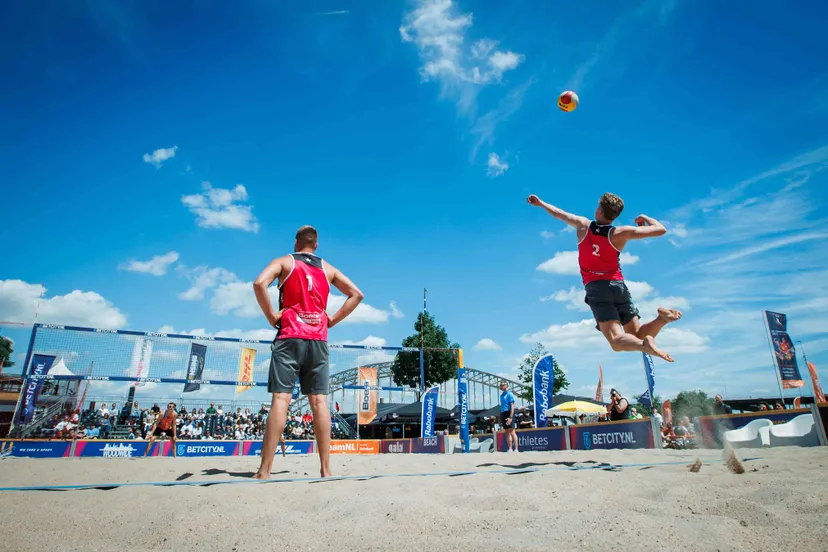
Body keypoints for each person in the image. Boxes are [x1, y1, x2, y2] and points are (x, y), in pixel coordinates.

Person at [252, 225, 363, 479]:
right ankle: (326, 470)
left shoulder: (284, 262)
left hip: (290, 336)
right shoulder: (328, 269)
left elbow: (259, 283)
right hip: (318, 339)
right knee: (320, 403)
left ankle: (264, 471)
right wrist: (331, 320)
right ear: (317, 245)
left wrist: (271, 316)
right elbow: (357, 294)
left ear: (295, 243)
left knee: (281, 401)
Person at [527, 193, 682, 362]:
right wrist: (645, 217)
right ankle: (661, 320)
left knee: (617, 341)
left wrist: (541, 203)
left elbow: (559, 213)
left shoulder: (583, 226)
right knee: (635, 335)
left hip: (597, 288)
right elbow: (660, 229)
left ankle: (644, 345)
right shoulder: (621, 233)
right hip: (618, 286)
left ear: (600, 210)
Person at [499, 381, 518, 452]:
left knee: (512, 431)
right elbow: (502, 407)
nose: (501, 386)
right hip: (504, 413)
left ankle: (516, 449)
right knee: (507, 432)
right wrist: (500, 417)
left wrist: (510, 417)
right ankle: (510, 448)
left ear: (506, 386)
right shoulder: (501, 395)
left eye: (502, 385)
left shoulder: (509, 394)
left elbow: (512, 406)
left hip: (509, 412)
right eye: (500, 385)